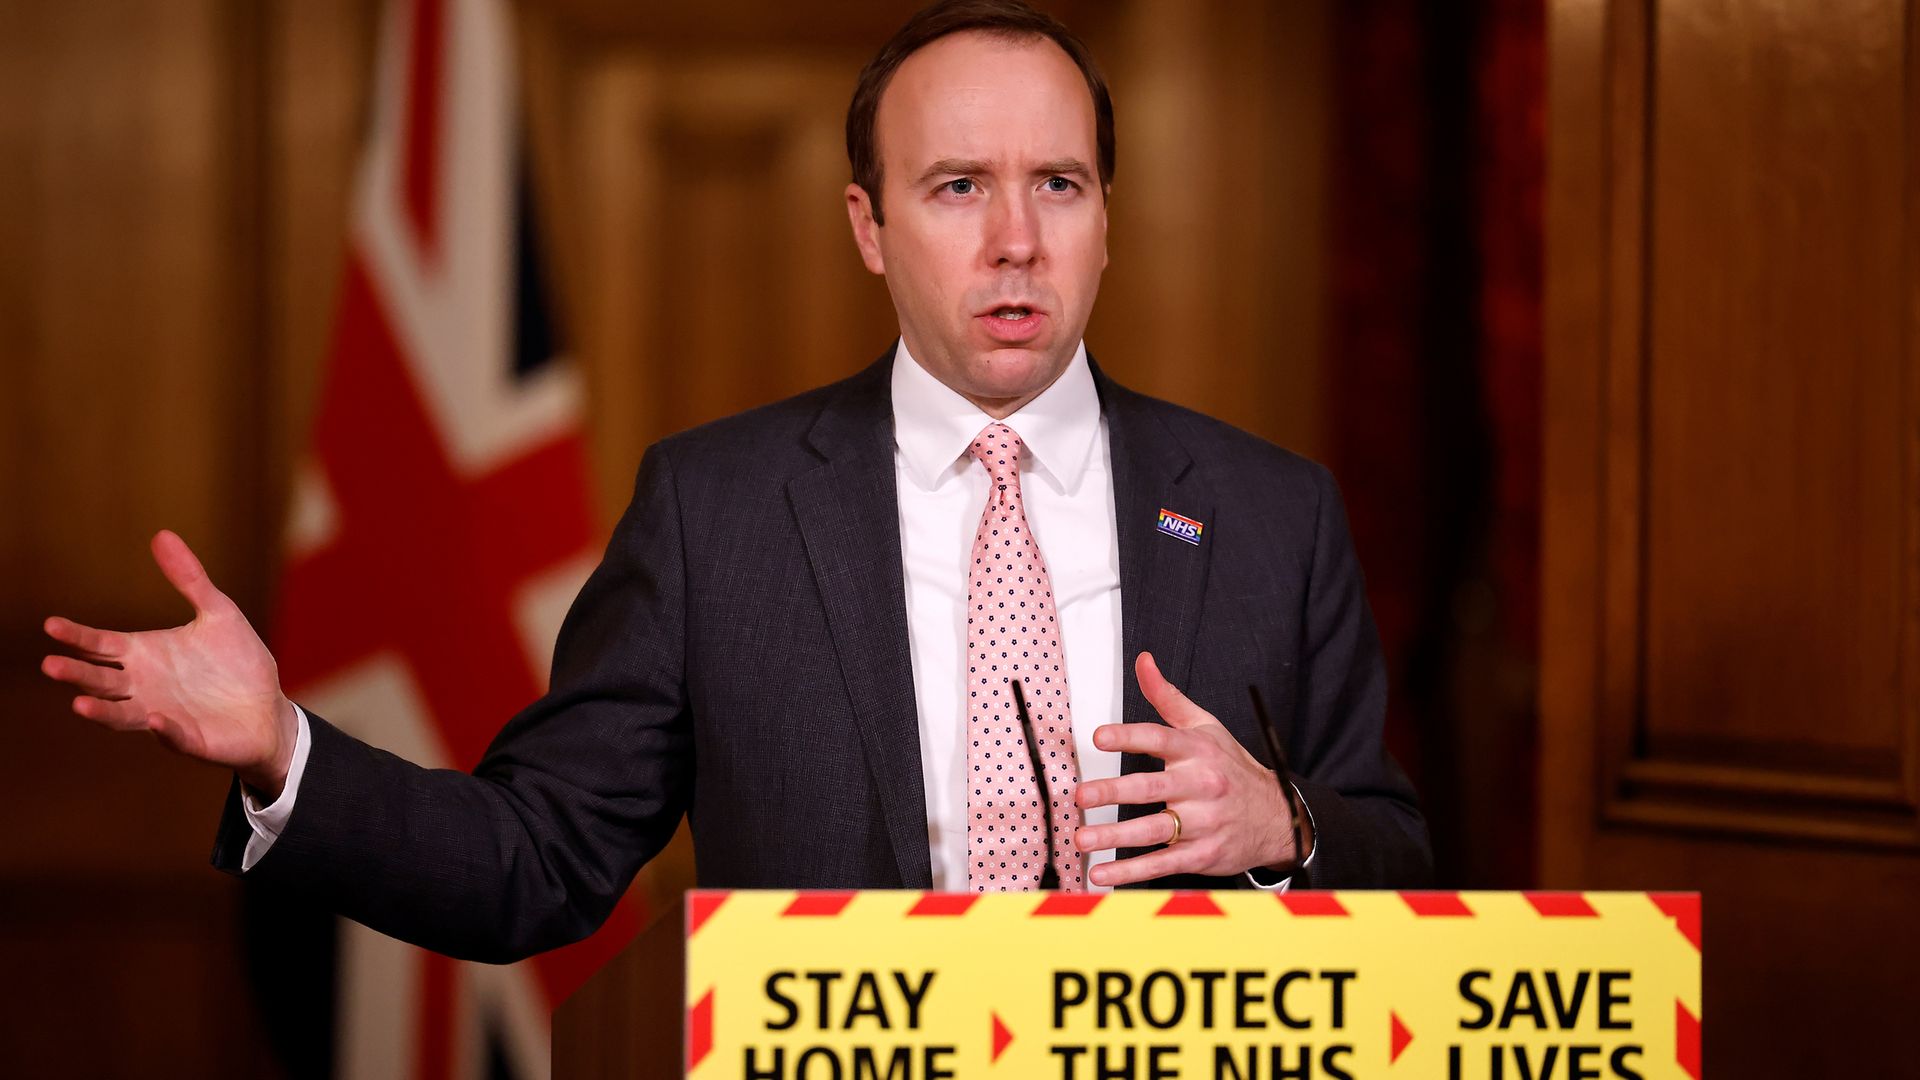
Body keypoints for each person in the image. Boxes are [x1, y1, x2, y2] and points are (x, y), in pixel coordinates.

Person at [39, 0, 1429, 963]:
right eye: (957, 187)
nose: (1016, 239)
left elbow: (1404, 871)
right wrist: (286, 749)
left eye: (1058, 185)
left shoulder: (1267, 510)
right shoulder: (719, 515)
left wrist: (1285, 828)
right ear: (868, 226)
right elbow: (541, 857)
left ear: (1109, 221)